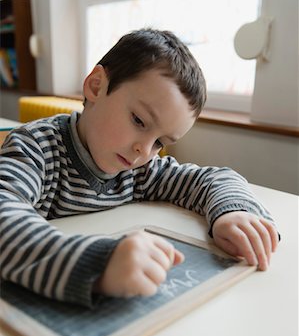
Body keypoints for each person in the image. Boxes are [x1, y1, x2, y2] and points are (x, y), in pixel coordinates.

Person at [0, 28, 279, 307]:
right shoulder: (34, 147)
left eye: (160, 142)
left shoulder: (140, 172)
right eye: (139, 121)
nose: (144, 151)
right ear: (97, 86)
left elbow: (215, 178)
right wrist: (97, 264)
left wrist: (233, 212)